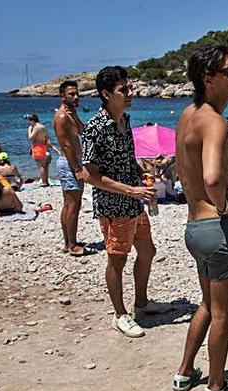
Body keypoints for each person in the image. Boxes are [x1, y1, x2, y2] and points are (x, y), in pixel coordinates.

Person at [172, 44, 228, 391]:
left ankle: (185, 371)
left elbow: (185, 168)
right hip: (218, 228)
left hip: (194, 228)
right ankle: (216, 387)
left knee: (207, 303)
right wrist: (224, 203)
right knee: (221, 310)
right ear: (208, 77)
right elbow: (210, 176)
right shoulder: (216, 121)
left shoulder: (187, 115)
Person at [79, 66, 172, 338]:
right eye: (124, 90)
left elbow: (125, 157)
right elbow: (91, 176)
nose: (130, 93)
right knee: (117, 261)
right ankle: (120, 315)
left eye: (129, 88)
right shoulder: (95, 128)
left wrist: (139, 173)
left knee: (147, 251)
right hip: (113, 204)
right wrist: (131, 191)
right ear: (106, 94)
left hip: (133, 200)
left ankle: (141, 303)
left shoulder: (125, 119)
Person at [53, 79, 92, 256]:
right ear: (62, 96)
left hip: (71, 163)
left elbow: (82, 131)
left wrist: (75, 117)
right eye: (72, 94)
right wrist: (77, 169)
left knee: (69, 204)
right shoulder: (61, 116)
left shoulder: (70, 114)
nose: (76, 97)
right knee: (73, 205)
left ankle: (68, 241)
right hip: (69, 163)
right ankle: (72, 245)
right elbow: (67, 145)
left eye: (77, 94)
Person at [28, 114, 60, 187]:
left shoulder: (36, 127)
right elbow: (46, 138)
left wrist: (29, 130)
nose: (30, 124)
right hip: (43, 147)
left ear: (32, 120)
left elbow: (31, 138)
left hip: (37, 148)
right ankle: (46, 181)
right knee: (45, 166)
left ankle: (44, 182)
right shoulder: (43, 127)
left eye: (30, 121)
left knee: (41, 166)